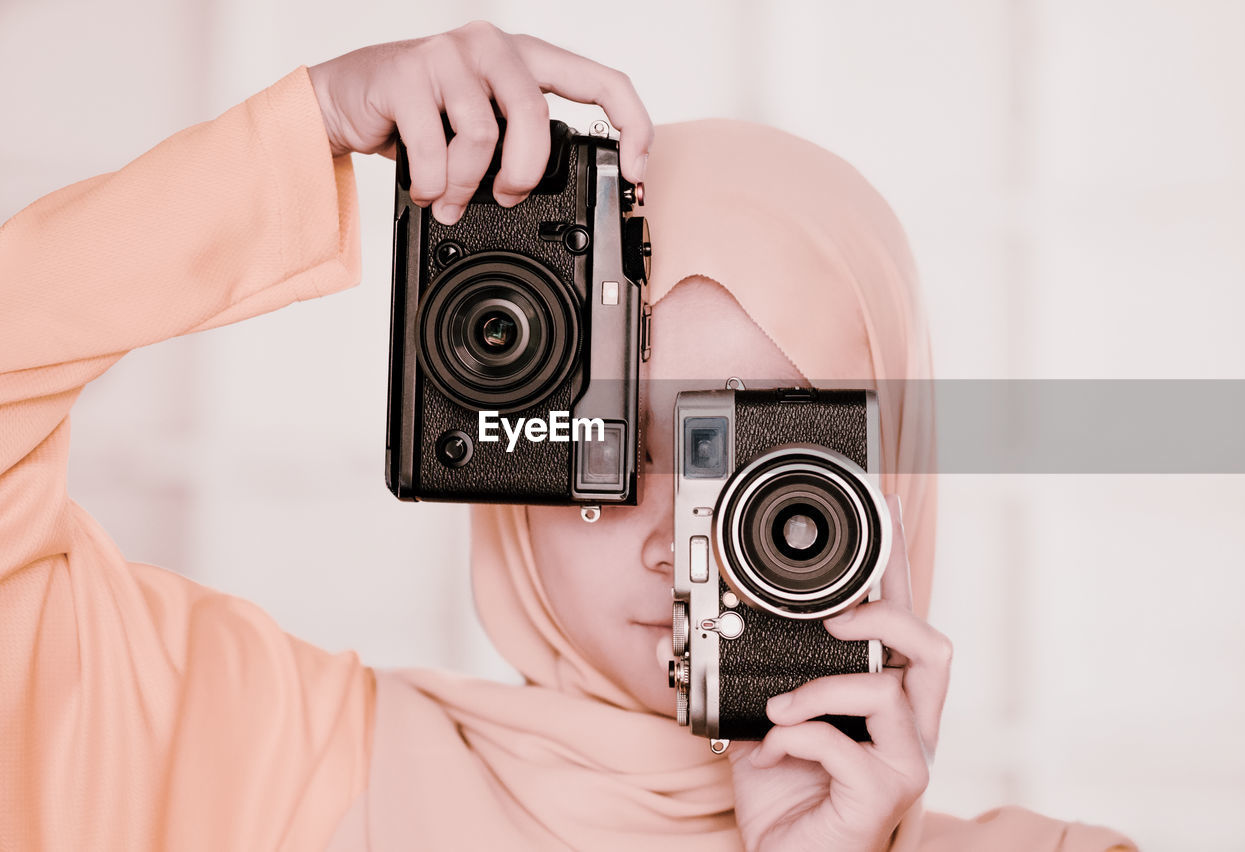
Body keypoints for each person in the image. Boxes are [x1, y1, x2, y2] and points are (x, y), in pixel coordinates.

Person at [0, 21, 1137, 852]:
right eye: (606, 440)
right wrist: (304, 130)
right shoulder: (243, 760)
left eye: (753, 452)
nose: (671, 540)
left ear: (885, 474)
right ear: (506, 445)